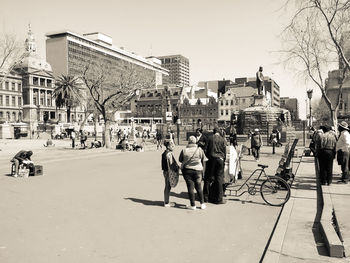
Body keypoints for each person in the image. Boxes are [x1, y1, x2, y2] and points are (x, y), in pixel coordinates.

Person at [179, 136, 208, 210]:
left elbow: (180, 159)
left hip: (187, 171)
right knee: (199, 187)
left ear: (188, 141)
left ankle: (193, 205)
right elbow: (204, 159)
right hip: (198, 170)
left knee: (190, 188)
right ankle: (202, 204)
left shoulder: (184, 150)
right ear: (195, 141)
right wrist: (203, 171)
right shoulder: (199, 149)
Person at [203, 126, 227, 204]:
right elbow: (224, 151)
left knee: (207, 178)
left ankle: (205, 197)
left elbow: (205, 149)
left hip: (211, 159)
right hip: (220, 159)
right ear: (219, 132)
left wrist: (207, 158)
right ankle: (219, 199)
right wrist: (224, 160)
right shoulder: (223, 139)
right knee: (219, 178)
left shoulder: (209, 138)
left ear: (213, 132)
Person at [161, 141, 177, 207]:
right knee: (168, 186)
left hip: (166, 171)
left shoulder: (165, 153)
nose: (173, 147)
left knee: (168, 186)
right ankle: (166, 202)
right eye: (172, 146)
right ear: (168, 147)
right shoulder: (168, 154)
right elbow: (170, 164)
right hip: (168, 172)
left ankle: (166, 201)